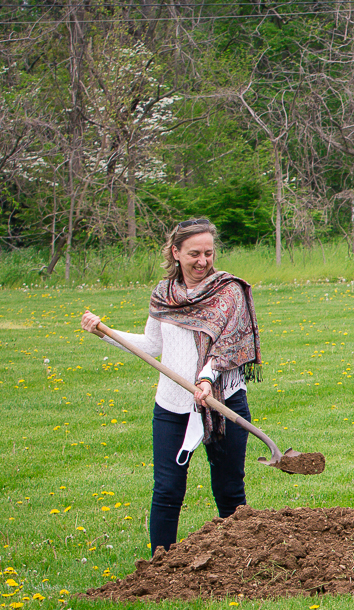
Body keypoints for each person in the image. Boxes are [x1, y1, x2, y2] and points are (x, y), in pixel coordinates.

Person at [80, 218, 261, 555]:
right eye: (194, 253)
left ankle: (240, 561)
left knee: (229, 489)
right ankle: (160, 568)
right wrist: (104, 331)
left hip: (224, 403)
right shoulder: (164, 294)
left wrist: (207, 379)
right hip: (172, 406)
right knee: (166, 490)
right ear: (176, 252)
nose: (203, 261)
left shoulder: (228, 291)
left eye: (208, 253)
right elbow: (150, 345)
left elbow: (230, 347)